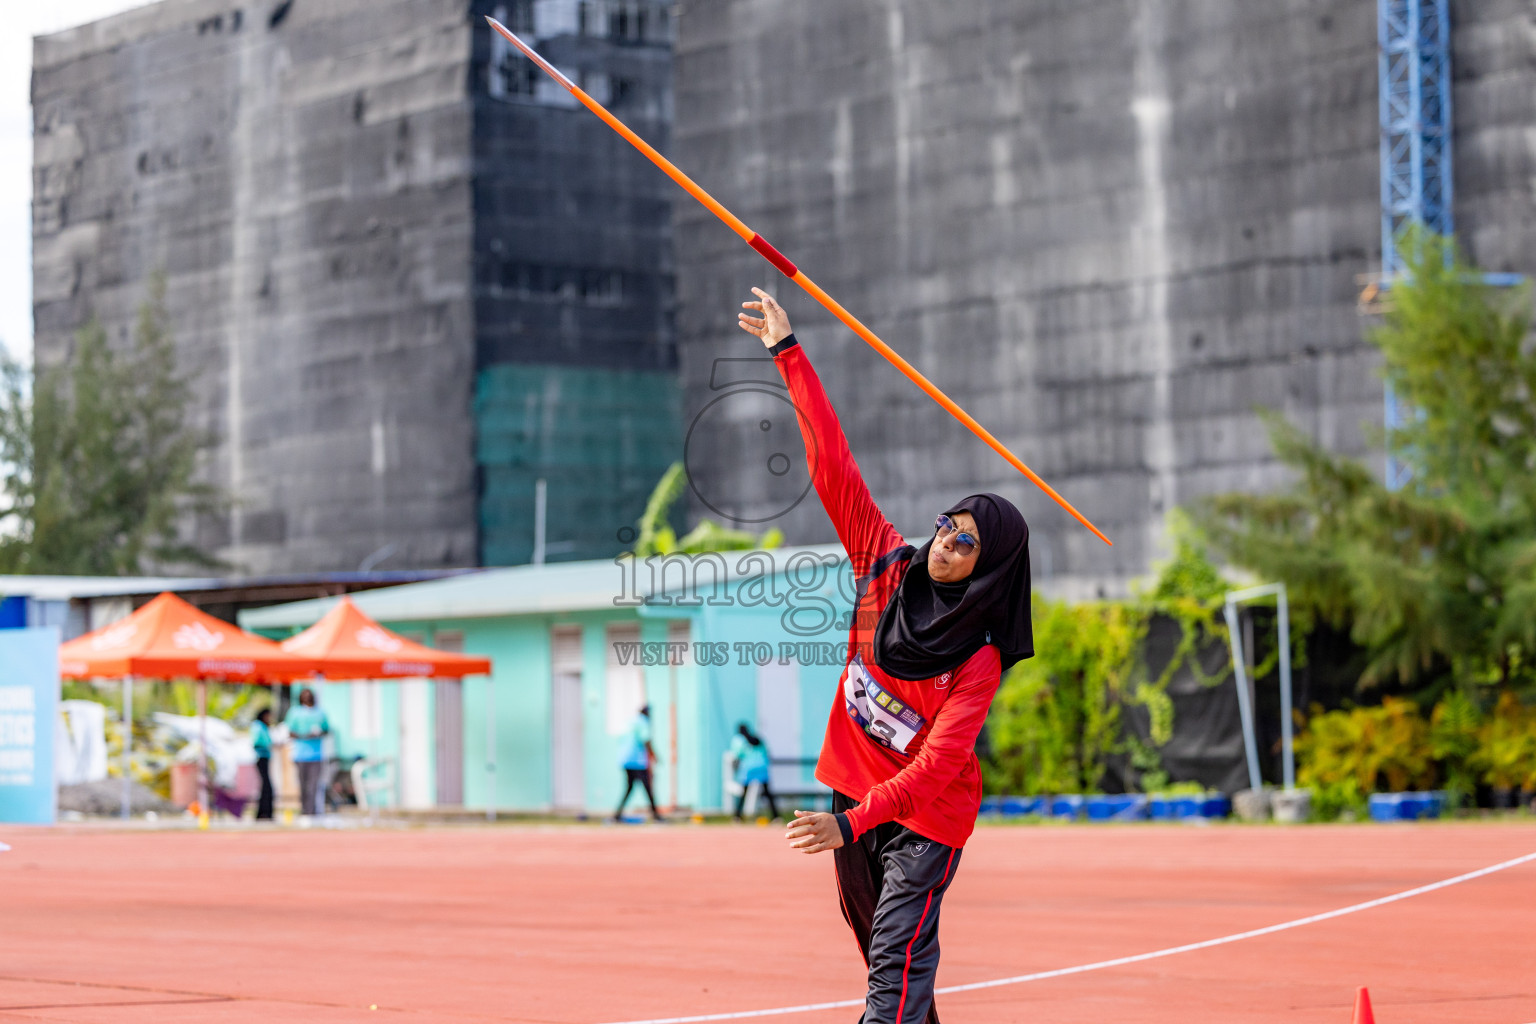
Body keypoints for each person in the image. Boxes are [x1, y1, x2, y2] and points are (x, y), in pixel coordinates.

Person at [739, 287, 1034, 1024]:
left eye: (967, 542)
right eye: (946, 525)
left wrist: (854, 823)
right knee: (882, 956)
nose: (946, 544)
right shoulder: (883, 565)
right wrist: (788, 352)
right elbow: (832, 465)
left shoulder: (979, 659)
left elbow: (937, 765)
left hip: (925, 819)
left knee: (895, 964)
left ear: (990, 565)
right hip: (853, 792)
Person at [283, 688, 331, 817]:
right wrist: (304, 735)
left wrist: (318, 733)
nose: (307, 697)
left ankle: (312, 811)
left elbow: (327, 730)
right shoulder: (295, 712)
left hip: (316, 755)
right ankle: (305, 811)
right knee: (303, 785)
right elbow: (290, 731)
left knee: (313, 785)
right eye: (304, 695)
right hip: (300, 754)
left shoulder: (320, 712)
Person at [612, 705, 664, 822]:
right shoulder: (643, 722)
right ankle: (656, 816)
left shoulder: (630, 722)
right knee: (647, 787)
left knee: (630, 788)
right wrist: (653, 755)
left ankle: (617, 815)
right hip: (637, 761)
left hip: (625, 759)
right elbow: (646, 740)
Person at [729, 723, 779, 821]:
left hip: (748, 768)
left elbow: (737, 754)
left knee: (743, 793)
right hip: (762, 767)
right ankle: (776, 817)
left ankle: (737, 816)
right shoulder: (759, 739)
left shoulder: (739, 740)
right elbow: (767, 752)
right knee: (768, 793)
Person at [251, 708, 274, 820]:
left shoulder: (264, 727)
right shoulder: (258, 726)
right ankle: (263, 812)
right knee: (266, 786)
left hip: (266, 757)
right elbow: (257, 742)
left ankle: (266, 812)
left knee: (267, 787)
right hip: (260, 758)